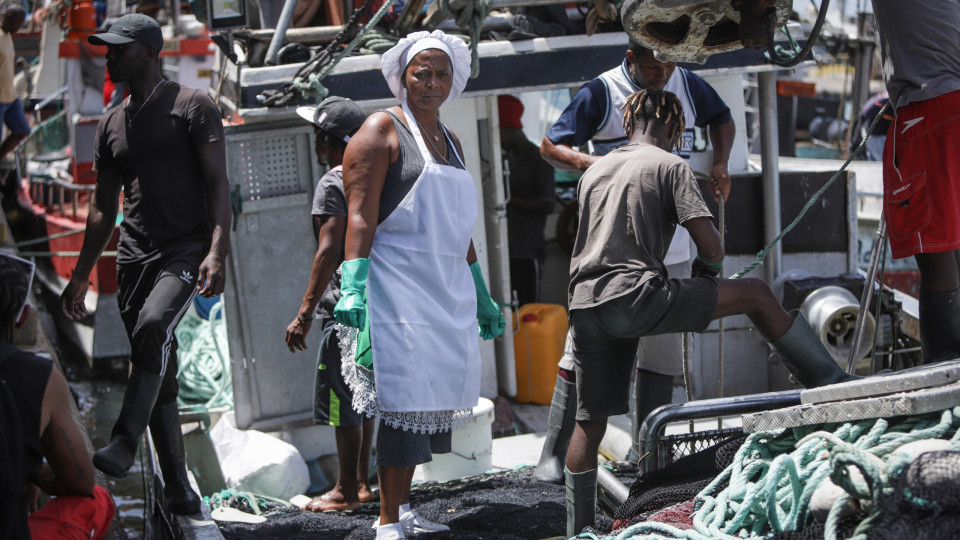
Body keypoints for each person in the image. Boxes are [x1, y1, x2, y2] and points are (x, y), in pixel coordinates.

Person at [563, 89, 859, 536]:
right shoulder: (670, 165)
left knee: (590, 423)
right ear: (675, 130)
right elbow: (712, 246)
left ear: (628, 124)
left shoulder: (594, 171)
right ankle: (834, 386)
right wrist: (710, 276)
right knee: (758, 293)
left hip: (584, 304)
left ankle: (578, 529)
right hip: (636, 296)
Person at [534, 41, 736, 484]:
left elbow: (721, 117)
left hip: (674, 249)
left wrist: (720, 162)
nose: (661, 71)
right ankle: (551, 453)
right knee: (578, 354)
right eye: (650, 63)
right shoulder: (602, 92)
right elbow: (550, 145)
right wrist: (603, 165)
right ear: (630, 58)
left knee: (661, 356)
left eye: (668, 62)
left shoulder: (687, 85)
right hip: (612, 255)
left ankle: (649, 460)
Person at [332, 30, 506, 540]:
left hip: (444, 289)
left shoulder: (450, 140)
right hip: (397, 288)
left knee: (429, 401)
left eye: (441, 73)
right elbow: (359, 218)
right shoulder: (379, 131)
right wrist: (352, 287)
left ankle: (404, 509)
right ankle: (387, 521)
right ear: (402, 77)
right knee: (404, 402)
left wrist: (480, 291)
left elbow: (458, 226)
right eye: (421, 73)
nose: (432, 83)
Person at [59, 13, 232, 515]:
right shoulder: (112, 122)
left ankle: (124, 440)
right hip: (133, 259)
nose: (108, 56)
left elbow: (219, 184)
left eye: (118, 48)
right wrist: (77, 278)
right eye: (107, 49)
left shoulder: (191, 105)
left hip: (186, 250)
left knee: (156, 326)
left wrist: (217, 249)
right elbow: (101, 208)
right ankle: (178, 486)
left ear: (150, 52)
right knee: (160, 370)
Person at [284, 96, 377, 513]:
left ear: (329, 141)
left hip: (343, 305)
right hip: (377, 303)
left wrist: (304, 314)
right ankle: (361, 482)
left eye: (318, 133)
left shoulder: (333, 181)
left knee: (342, 399)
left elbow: (327, 251)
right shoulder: (375, 174)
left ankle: (343, 491)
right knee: (367, 393)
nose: (314, 140)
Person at [868, 0, 960, 364]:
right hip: (949, 100)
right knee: (953, 245)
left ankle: (943, 364)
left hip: (930, 106)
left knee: (935, 251)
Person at [0, 254, 114, 540]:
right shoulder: (38, 376)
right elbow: (80, 483)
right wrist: (34, 471)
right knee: (96, 501)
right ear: (23, 318)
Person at [498, 95, 555, 305]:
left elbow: (548, 203)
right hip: (504, 250)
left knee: (529, 309)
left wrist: (508, 201)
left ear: (508, 130)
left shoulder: (539, 160)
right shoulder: (504, 160)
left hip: (527, 250)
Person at [0, 5, 29, 162]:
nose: (18, 28)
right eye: (17, 23)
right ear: (8, 18)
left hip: (10, 96)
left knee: (23, 130)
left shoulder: (8, 36)